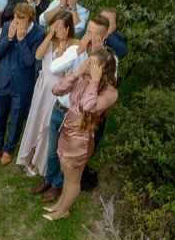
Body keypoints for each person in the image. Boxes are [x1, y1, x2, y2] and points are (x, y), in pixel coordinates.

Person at [30, 15, 110, 203]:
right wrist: (78, 51)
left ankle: (58, 185)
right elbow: (54, 67)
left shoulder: (108, 59)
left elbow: (102, 91)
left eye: (96, 34)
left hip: (78, 117)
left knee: (64, 156)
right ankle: (48, 180)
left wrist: (96, 57)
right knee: (51, 151)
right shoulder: (76, 49)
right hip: (59, 108)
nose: (90, 37)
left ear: (105, 36)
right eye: (88, 31)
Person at [43, 48, 118, 220]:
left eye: (92, 65)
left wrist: (94, 81)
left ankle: (63, 211)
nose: (88, 67)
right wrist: (77, 73)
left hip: (81, 140)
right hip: (67, 131)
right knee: (65, 172)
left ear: (103, 69)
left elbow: (87, 106)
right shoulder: (83, 78)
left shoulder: (110, 92)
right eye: (88, 63)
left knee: (73, 179)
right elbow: (57, 90)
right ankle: (61, 204)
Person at [16, 11, 78, 177]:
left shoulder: (74, 46)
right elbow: (38, 55)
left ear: (68, 27)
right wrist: (51, 33)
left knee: (47, 125)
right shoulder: (50, 40)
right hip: (42, 87)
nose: (57, 30)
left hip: (57, 90)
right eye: (54, 25)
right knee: (35, 120)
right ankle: (28, 156)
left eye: (60, 27)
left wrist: (66, 47)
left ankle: (39, 164)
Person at [0, 3, 45, 166]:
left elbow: (29, 61)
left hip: (22, 84)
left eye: (21, 18)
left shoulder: (39, 33)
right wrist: (10, 37)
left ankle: (8, 150)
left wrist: (21, 40)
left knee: (17, 118)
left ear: (30, 18)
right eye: (15, 17)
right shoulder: (7, 26)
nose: (16, 21)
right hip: (4, 79)